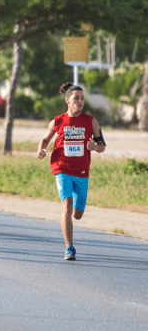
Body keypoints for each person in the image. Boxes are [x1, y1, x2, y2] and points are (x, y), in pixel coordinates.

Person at [37, 82, 106, 261]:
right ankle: (69, 248)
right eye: (76, 98)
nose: (80, 101)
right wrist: (41, 149)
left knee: (78, 214)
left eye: (82, 98)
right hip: (61, 167)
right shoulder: (58, 121)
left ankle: (75, 214)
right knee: (66, 205)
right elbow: (45, 140)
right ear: (67, 100)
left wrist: (94, 147)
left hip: (82, 171)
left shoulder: (91, 121)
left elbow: (102, 146)